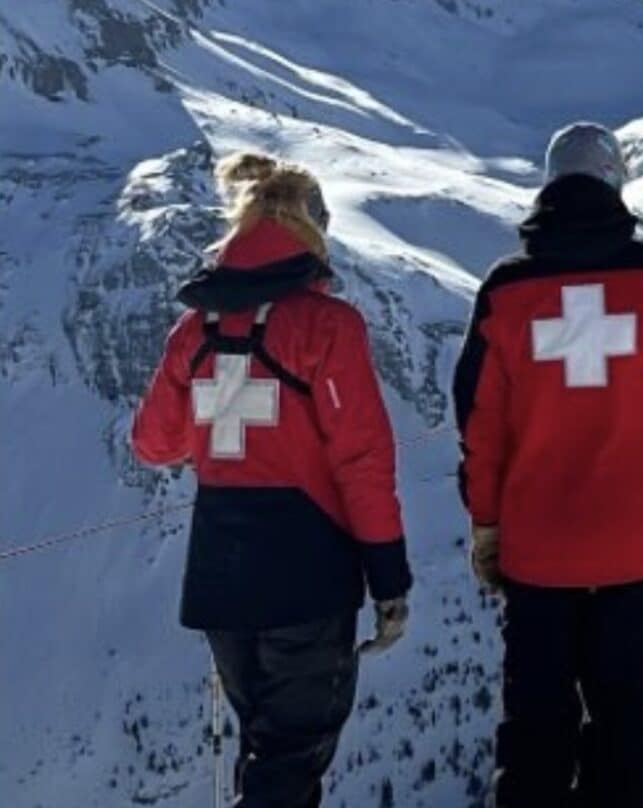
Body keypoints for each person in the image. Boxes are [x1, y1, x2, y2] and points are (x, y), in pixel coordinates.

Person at [453, 122, 643, 808]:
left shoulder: (507, 289)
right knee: (627, 731)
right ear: (616, 182)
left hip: (537, 550)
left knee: (535, 737)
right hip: (637, 549)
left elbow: (480, 425)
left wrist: (487, 525)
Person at [131, 153, 414, 807]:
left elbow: (153, 443)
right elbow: (362, 461)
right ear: (314, 230)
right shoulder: (327, 325)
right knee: (290, 758)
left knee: (265, 752)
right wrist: (389, 578)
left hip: (220, 573)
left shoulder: (193, 330)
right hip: (305, 571)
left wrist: (218, 431)